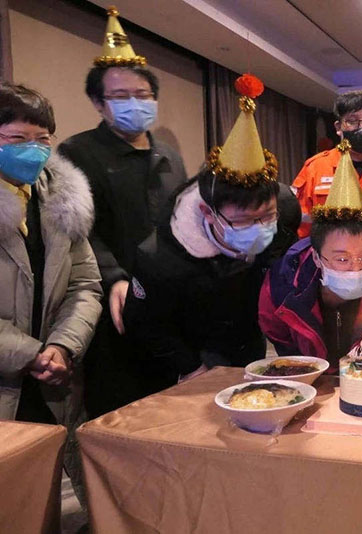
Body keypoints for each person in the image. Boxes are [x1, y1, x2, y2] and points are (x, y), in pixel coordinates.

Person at [123, 75, 298, 386]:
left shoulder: (284, 209)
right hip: (191, 351)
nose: (260, 229)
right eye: (243, 221)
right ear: (207, 211)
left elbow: (277, 262)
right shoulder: (159, 257)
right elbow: (146, 325)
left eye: (266, 216)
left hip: (249, 339)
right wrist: (190, 368)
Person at [57, 7, 187, 416]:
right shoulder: (78, 153)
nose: (135, 103)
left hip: (169, 299)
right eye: (120, 96)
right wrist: (114, 277)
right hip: (115, 301)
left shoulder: (168, 155)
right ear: (98, 103)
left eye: (143, 95)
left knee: (172, 401)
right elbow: (78, 230)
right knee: (120, 410)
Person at [0, 83, 102, 504]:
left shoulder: (59, 198)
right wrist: (31, 353)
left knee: (44, 500)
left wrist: (61, 346)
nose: (33, 150)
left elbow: (85, 283)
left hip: (50, 380)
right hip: (9, 377)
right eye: (16, 139)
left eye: (43, 139)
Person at [260, 141, 362, 367]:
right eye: (342, 259)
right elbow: (276, 331)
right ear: (317, 257)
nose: (356, 268)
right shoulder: (284, 283)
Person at [293, 90, 362, 237]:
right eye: (352, 121)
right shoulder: (315, 167)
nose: (361, 127)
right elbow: (300, 223)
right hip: (327, 255)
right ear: (338, 128)